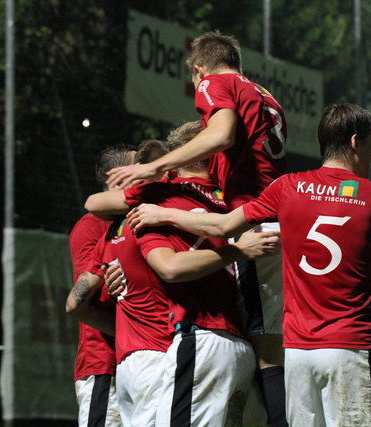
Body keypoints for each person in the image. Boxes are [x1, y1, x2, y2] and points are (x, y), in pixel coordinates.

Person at [127, 103, 371, 426]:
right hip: (351, 347)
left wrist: (163, 213)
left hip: (297, 355)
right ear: (355, 142)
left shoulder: (287, 187)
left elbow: (223, 227)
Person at [106, 30, 288, 426]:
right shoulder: (264, 94)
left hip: (253, 220)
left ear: (197, 67)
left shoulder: (213, 81)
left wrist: (154, 168)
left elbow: (220, 134)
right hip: (265, 214)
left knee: (267, 349)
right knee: (265, 341)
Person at [86, 121, 281, 425]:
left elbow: (95, 204)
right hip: (248, 348)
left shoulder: (157, 197)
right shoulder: (236, 202)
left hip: (198, 339)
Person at [68, 144, 136, 427]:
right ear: (117, 177)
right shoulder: (91, 225)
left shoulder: (136, 220)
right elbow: (80, 302)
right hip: (104, 365)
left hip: (138, 365)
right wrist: (128, 333)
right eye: (139, 166)